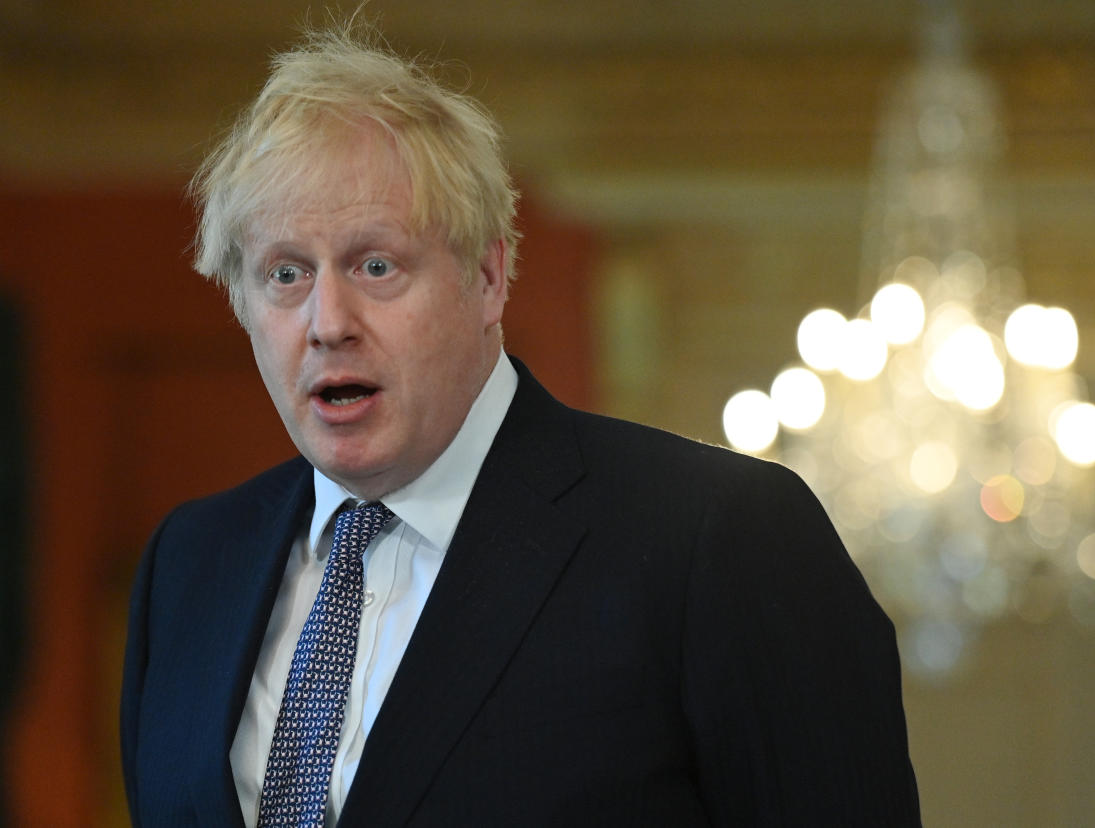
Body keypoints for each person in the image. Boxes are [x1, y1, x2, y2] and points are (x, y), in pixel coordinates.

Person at [120, 22, 921, 828]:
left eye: (376, 265)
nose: (328, 321)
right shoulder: (190, 565)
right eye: (285, 274)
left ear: (489, 277)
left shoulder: (720, 536)